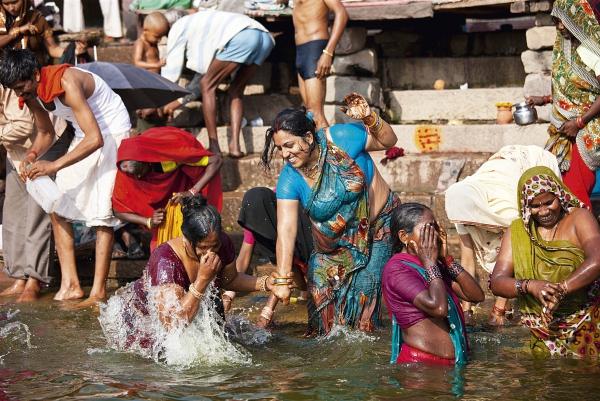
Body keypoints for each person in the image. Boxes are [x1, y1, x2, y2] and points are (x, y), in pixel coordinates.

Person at [0, 48, 132, 306]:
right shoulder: (30, 92)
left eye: (21, 87)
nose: (19, 94)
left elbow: (97, 138)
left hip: (111, 130)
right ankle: (71, 284)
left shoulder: (67, 82)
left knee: (101, 211)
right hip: (85, 135)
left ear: (36, 75)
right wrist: (33, 154)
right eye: (14, 90)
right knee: (56, 203)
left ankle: (98, 292)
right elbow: (45, 131)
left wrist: (54, 165)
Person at [263, 92, 400, 335]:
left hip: (378, 229)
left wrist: (369, 118)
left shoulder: (340, 138)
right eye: (280, 149)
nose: (285, 154)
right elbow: (286, 229)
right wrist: (283, 279)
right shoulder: (289, 178)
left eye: (289, 145)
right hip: (333, 247)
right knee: (318, 303)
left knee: (363, 300)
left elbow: (388, 141)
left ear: (308, 137)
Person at [98, 195, 292, 356]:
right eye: (202, 248)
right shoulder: (166, 261)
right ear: (186, 240)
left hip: (187, 310)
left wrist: (266, 283)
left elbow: (230, 280)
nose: (210, 253)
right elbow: (172, 323)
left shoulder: (221, 243)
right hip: (139, 323)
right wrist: (202, 280)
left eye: (214, 247)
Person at [490, 166, 600, 358]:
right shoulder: (517, 232)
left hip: (586, 326)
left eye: (549, 203)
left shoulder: (579, 218)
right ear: (526, 206)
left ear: (559, 196)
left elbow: (597, 258)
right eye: (535, 206)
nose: (543, 212)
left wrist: (562, 289)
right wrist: (530, 286)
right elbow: (497, 282)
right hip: (538, 332)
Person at [445, 145, 561, 326]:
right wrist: (466, 310)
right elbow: (467, 260)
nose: (468, 225)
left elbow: (513, 258)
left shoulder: (508, 209)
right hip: (495, 174)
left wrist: (498, 310)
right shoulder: (461, 207)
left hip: (519, 167)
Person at [162, 9, 275, 157]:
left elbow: (173, 69)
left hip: (243, 36)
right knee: (236, 90)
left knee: (207, 85)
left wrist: (163, 98)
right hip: (265, 38)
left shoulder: (179, 26)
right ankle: (235, 147)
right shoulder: (205, 20)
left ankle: (214, 146)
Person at [382, 203, 484, 365]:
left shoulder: (432, 265)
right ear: (404, 237)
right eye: (428, 229)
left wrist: (447, 260)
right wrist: (430, 262)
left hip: (449, 367)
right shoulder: (397, 269)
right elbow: (438, 308)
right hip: (421, 367)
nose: (435, 234)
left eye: (436, 228)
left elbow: (475, 295)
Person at [0, 84, 72, 302]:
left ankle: (34, 279)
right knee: (12, 214)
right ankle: (19, 276)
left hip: (47, 145)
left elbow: (22, 125)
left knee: (37, 214)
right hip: (16, 151)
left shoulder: (11, 86)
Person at [527, 0, 600, 207]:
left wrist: (578, 122)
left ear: (577, 19)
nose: (560, 26)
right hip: (567, 130)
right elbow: (576, 91)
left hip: (587, 130)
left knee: (574, 195)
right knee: (557, 183)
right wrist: (545, 100)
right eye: (556, 21)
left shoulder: (593, 51)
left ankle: (582, 232)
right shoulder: (566, 48)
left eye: (564, 21)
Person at [112, 126, 223, 251]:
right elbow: (117, 209)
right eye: (133, 175)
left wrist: (192, 191)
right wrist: (148, 221)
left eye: (140, 173)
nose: (137, 177)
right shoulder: (127, 172)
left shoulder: (171, 151)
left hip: (184, 183)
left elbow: (216, 161)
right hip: (162, 207)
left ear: (147, 162)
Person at [227, 187, 313, 327]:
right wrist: (229, 294)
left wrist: (267, 311)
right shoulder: (255, 215)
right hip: (291, 261)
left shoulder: (285, 202)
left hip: (308, 241)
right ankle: (305, 290)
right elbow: (243, 257)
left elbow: (283, 267)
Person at [293, 0, 347, 129]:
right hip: (301, 50)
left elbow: (342, 13)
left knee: (316, 114)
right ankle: (321, 149)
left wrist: (328, 52)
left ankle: (331, 149)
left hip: (315, 47)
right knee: (309, 114)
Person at [0, 0, 67, 64]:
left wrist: (72, 51)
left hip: (32, 71)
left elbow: (52, 49)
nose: (11, 8)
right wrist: (17, 31)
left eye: (15, 2)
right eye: (6, 4)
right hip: (5, 71)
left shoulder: (37, 19)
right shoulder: (1, 21)